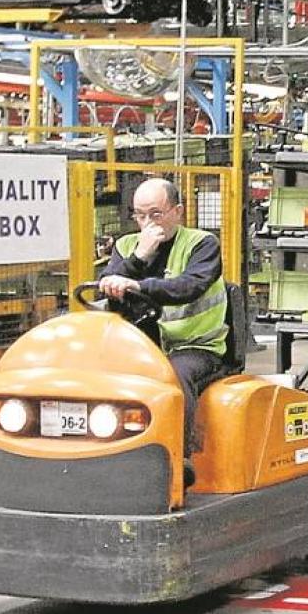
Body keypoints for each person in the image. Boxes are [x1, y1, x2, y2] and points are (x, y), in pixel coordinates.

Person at [99, 177, 228, 459]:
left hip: (195, 347)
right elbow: (109, 284)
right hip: (143, 347)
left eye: (156, 214)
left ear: (177, 211)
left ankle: (178, 458)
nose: (148, 223)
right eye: (140, 215)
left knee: (172, 377)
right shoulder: (127, 245)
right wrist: (140, 256)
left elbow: (189, 287)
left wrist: (139, 285)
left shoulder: (203, 244)